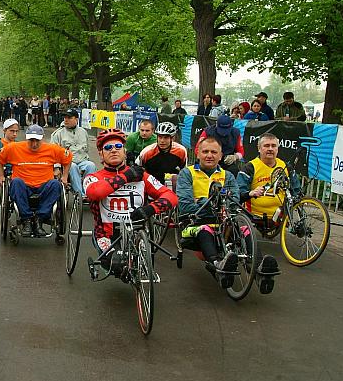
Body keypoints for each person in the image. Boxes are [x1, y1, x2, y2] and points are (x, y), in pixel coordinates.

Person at [177, 136, 279, 292]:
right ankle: (218, 266)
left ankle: (260, 271)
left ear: (220, 155)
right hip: (194, 224)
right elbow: (185, 206)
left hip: (225, 223)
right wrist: (210, 204)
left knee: (244, 230)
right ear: (198, 154)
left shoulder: (228, 176)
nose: (209, 155)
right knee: (206, 229)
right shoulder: (187, 173)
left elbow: (234, 201)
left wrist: (202, 201)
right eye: (205, 151)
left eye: (213, 152)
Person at [84, 128, 177, 273]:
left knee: (135, 264)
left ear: (124, 152)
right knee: (117, 266)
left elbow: (170, 196)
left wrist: (150, 209)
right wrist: (126, 176)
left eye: (118, 146)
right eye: (108, 147)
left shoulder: (142, 176)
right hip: (107, 234)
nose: (113, 150)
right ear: (101, 155)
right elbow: (95, 193)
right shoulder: (93, 177)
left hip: (136, 230)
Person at [0, 124, 72, 237]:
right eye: (31, 140)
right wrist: (1, 176)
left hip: (44, 186)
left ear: (43, 138)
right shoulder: (14, 148)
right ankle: (26, 220)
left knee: (56, 184)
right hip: (23, 185)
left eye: (37, 141)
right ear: (26, 138)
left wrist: (65, 176)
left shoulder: (52, 149)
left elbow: (68, 158)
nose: (34, 144)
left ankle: (39, 220)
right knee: (15, 182)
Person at [237, 132, 302, 226]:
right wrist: (250, 193)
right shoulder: (250, 167)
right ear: (259, 149)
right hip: (254, 217)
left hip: (281, 217)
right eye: (266, 146)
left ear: (277, 149)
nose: (270, 149)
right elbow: (239, 192)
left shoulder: (286, 167)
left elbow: (296, 190)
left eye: (273, 146)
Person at [50, 108, 97, 197]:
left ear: (76, 119)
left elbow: (86, 150)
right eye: (65, 118)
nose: (66, 120)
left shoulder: (83, 132)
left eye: (69, 118)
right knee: (73, 166)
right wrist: (56, 168)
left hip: (82, 161)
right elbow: (53, 153)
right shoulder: (58, 134)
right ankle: (81, 195)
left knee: (91, 165)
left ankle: (89, 191)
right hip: (67, 164)